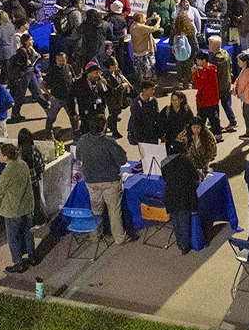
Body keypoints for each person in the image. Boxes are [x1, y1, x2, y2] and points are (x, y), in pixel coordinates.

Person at [76, 114, 130, 248]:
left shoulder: (83, 140)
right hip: (110, 181)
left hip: (92, 181)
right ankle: (119, 238)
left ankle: (95, 235)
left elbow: (78, 156)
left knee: (96, 209)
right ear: (104, 127)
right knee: (114, 210)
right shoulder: (108, 142)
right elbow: (122, 159)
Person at [0, 143, 37, 273]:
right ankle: (32, 256)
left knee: (13, 238)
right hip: (27, 206)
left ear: (6, 157)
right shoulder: (23, 164)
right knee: (27, 232)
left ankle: (18, 263)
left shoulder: (8, 171)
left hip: (13, 209)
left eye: (0, 154)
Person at [160, 141, 201, 254]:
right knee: (183, 220)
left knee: (176, 220)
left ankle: (179, 243)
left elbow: (165, 178)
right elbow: (194, 176)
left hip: (170, 195)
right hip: (184, 195)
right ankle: (185, 246)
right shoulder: (185, 160)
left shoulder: (163, 162)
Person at [7, 33, 47, 123]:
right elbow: (22, 64)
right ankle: (15, 115)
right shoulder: (22, 51)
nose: (32, 41)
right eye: (30, 40)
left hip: (30, 73)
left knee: (37, 93)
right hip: (24, 75)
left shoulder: (30, 50)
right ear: (25, 42)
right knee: (20, 95)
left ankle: (48, 109)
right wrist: (29, 60)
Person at [43, 50, 76, 137]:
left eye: (63, 60)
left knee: (73, 116)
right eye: (59, 60)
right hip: (57, 98)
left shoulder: (69, 67)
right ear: (56, 60)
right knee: (51, 117)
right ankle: (48, 133)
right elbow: (43, 84)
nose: (61, 62)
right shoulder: (52, 70)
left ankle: (76, 132)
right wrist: (49, 95)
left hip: (68, 98)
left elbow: (73, 79)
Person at [207, 36, 236, 132]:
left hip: (218, 86)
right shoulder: (226, 53)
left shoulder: (215, 59)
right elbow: (230, 66)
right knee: (226, 104)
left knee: (214, 106)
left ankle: (215, 123)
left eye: (211, 44)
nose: (209, 45)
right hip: (226, 83)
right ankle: (233, 121)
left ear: (216, 46)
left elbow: (213, 74)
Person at [192, 52, 222, 137]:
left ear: (203, 60)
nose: (197, 62)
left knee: (202, 120)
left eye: (198, 60)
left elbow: (198, 85)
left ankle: (200, 135)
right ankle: (217, 135)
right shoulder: (212, 69)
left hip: (205, 101)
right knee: (213, 119)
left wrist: (195, 73)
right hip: (211, 100)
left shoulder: (205, 72)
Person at [127, 80, 161, 145]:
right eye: (151, 89)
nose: (153, 92)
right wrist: (139, 139)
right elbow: (135, 122)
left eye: (154, 89)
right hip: (142, 136)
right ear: (144, 90)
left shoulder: (153, 100)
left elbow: (157, 116)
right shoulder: (136, 103)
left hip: (152, 134)